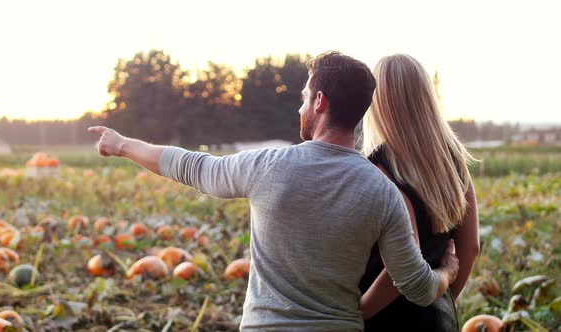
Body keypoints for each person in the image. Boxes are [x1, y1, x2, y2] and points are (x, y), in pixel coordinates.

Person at [89, 51, 459, 331]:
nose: (301, 105)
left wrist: (123, 145)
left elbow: (188, 166)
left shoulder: (266, 166)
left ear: (319, 102)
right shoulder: (383, 192)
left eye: (304, 96)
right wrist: (447, 270)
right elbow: (416, 286)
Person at [358, 54, 479, 331]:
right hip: (435, 314)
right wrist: (442, 299)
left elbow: (399, 272)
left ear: (378, 103)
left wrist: (361, 312)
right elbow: (470, 248)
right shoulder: (454, 162)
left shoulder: (376, 168)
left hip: (382, 318)